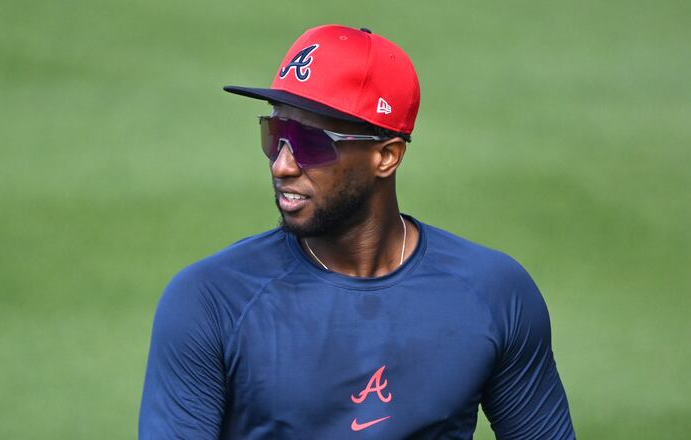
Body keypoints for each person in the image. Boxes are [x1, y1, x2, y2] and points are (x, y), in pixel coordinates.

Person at [139, 24, 574, 439]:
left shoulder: (494, 294)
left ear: (386, 156)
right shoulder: (210, 301)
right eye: (275, 133)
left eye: (310, 142)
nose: (282, 164)